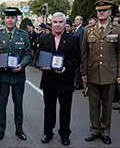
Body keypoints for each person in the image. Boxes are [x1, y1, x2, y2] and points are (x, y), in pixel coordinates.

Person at [81, 0, 120, 145]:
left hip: (110, 73)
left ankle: (105, 131)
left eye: (104, 10)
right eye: (99, 10)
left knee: (107, 104)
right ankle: (94, 130)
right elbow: (84, 54)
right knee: (93, 104)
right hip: (93, 71)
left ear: (110, 12)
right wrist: (84, 72)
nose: (101, 12)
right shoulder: (89, 29)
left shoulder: (117, 29)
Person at [38, 12, 80, 146]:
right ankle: (48, 132)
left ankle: (65, 134)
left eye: (60, 22)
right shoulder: (44, 39)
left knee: (65, 109)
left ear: (65, 23)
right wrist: (42, 66)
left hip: (65, 79)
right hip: (49, 79)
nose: (58, 24)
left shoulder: (73, 39)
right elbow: (41, 56)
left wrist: (66, 68)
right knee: (49, 108)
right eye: (55, 22)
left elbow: (76, 58)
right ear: (51, 24)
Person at [0, 7, 32, 141]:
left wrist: (22, 65)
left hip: (18, 76)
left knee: (18, 104)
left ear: (16, 19)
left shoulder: (23, 34)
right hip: (2, 76)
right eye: (8, 18)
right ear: (5, 19)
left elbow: (28, 53)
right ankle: (0, 130)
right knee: (1, 104)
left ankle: (19, 130)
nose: (10, 20)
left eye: (13, 18)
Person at [73, 15, 84, 89]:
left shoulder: (82, 29)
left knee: (78, 69)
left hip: (78, 52)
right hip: (75, 52)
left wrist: (80, 53)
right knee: (76, 69)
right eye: (75, 19)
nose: (75, 21)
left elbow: (81, 42)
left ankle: (79, 83)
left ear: (81, 21)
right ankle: (76, 82)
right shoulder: (76, 29)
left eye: (77, 20)